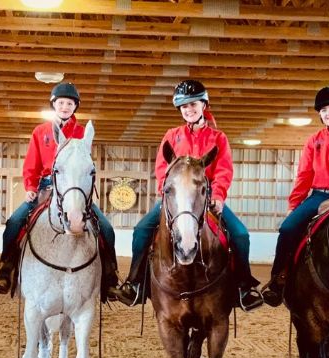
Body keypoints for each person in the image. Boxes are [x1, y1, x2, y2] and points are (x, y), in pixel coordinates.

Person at [112, 80, 262, 311]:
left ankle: (243, 287)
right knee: (141, 230)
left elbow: (224, 169)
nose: (189, 110)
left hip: (205, 200)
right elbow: (162, 168)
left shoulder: (218, 138)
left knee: (240, 235)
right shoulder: (172, 136)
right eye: (184, 107)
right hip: (176, 201)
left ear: (204, 105)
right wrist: (168, 194)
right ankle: (136, 283)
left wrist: (219, 196)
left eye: (193, 105)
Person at [0, 82, 119, 299]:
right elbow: (31, 164)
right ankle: (6, 267)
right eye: (61, 103)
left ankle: (110, 277)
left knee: (106, 228)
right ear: (54, 105)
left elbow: (85, 167)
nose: (65, 106)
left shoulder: (81, 133)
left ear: (75, 106)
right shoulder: (41, 132)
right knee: (14, 222)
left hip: (73, 189)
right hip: (45, 185)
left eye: (69, 103)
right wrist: (30, 187)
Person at [262, 86, 329, 306]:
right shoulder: (314, 142)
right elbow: (304, 175)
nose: (328, 112)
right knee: (288, 229)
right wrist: (294, 204)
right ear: (320, 114)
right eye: (323, 109)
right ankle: (278, 279)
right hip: (319, 195)